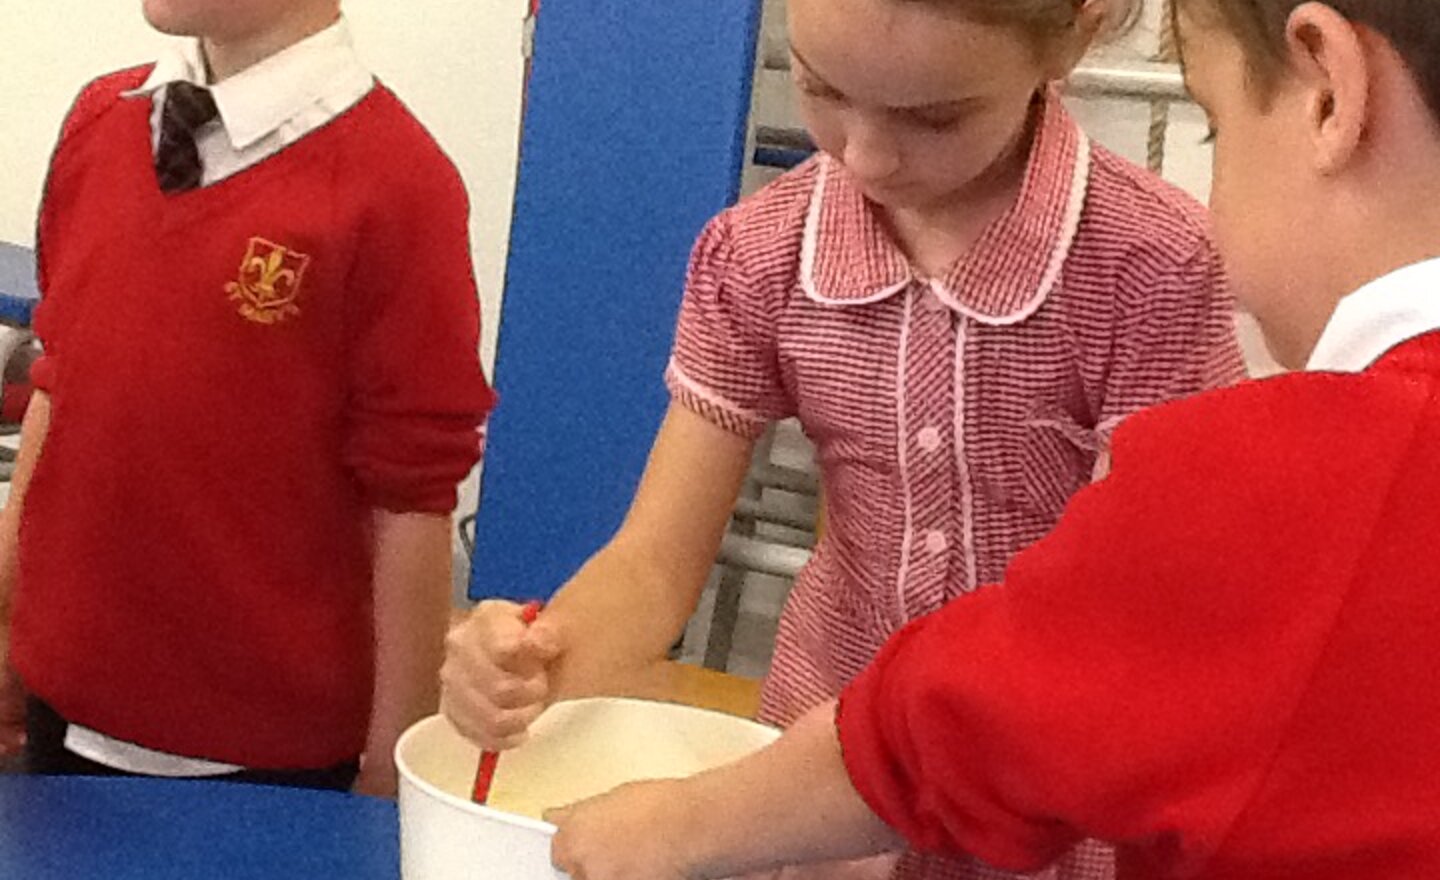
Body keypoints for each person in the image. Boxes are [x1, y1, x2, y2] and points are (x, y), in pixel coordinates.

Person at [546, 0, 1440, 876]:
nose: (865, 155)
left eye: (934, 117)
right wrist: (546, 654)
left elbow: (1068, 675)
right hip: (813, 770)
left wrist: (732, 819)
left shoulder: (1160, 280)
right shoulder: (757, 255)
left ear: (1074, 39)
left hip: (1016, 802)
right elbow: (654, 558)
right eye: (821, 90)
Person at [0, 0, 495, 796]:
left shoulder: (396, 184)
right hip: (64, 713)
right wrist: (9, 617)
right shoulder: (102, 120)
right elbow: (63, 381)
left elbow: (411, 495)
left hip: (267, 760)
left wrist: (392, 765)